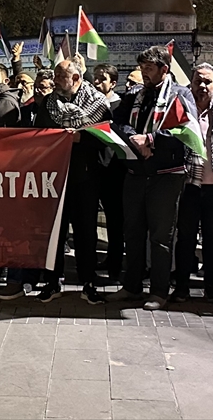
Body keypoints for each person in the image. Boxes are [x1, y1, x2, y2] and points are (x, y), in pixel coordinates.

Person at [2, 58, 111, 304]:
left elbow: (107, 139)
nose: (56, 81)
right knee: (54, 232)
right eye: (56, 76)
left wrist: (80, 141)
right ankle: (53, 281)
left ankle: (88, 282)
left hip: (85, 176)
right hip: (55, 178)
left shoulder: (97, 104)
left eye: (61, 77)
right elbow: (39, 135)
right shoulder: (48, 103)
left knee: (86, 232)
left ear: (76, 78)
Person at [113, 45, 201, 311]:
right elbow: (117, 122)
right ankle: (131, 286)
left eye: (149, 69)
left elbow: (188, 132)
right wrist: (134, 138)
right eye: (142, 68)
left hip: (166, 176)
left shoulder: (180, 94)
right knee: (133, 232)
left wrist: (152, 139)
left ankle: (159, 291)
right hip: (136, 175)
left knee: (161, 237)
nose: (144, 73)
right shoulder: (134, 95)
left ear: (165, 69)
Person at [173, 62, 213, 302]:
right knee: (185, 238)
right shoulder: (181, 110)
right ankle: (181, 287)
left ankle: (211, 287)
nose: (202, 86)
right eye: (198, 81)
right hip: (188, 185)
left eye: (207, 81)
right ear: (191, 82)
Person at [92, 62, 126, 279]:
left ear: (113, 83)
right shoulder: (90, 105)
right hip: (93, 168)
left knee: (115, 219)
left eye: (102, 79)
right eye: (95, 78)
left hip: (114, 170)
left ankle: (115, 261)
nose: (96, 82)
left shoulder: (121, 106)